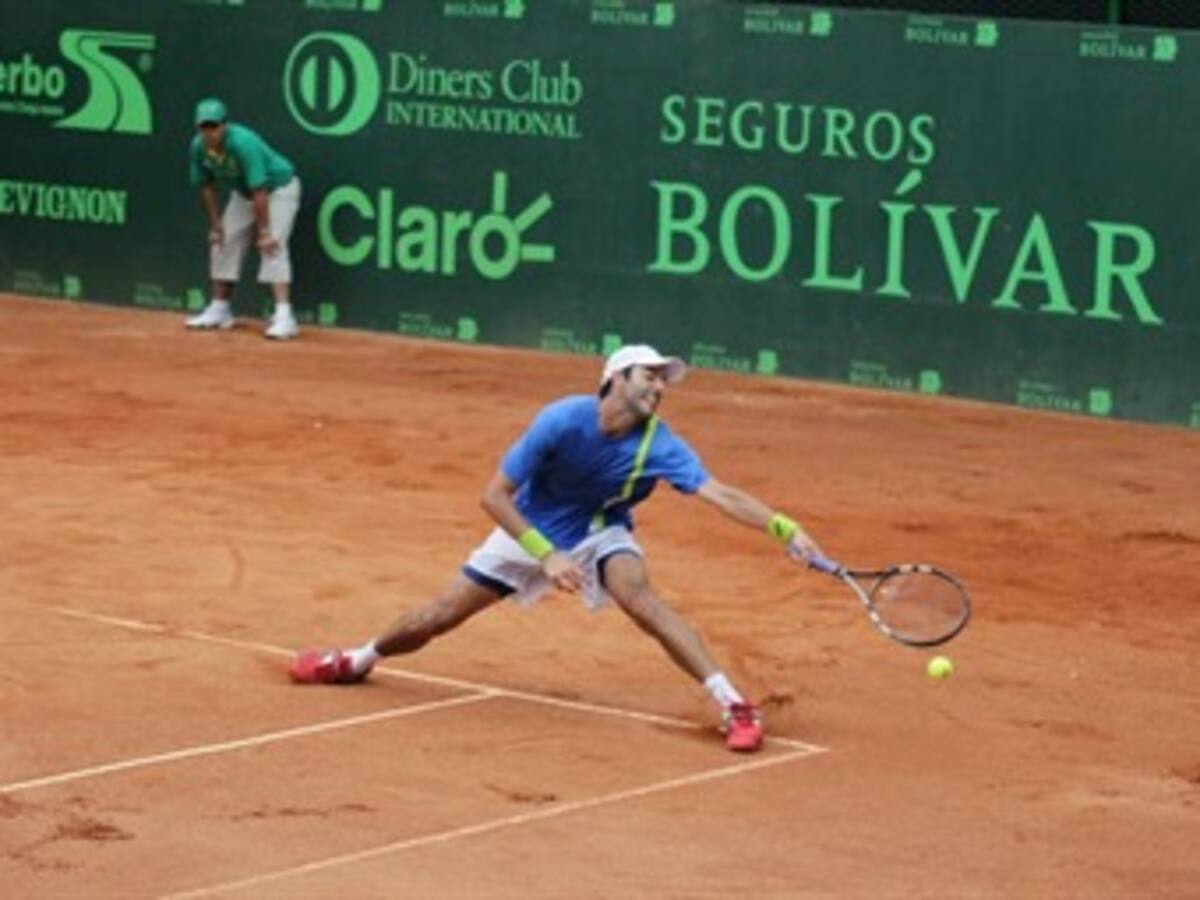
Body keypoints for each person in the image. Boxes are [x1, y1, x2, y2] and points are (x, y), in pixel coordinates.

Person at [290, 344, 823, 752]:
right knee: (436, 616)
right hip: (532, 527)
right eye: (649, 375)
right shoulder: (562, 421)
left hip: (602, 530)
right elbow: (494, 496)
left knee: (643, 600)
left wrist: (783, 527)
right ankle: (356, 660)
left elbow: (719, 493)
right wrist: (545, 553)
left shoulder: (660, 443)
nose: (659, 386)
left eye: (664, 380)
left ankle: (734, 705)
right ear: (615, 379)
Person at [185, 97, 302, 340]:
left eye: (214, 126)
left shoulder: (243, 143)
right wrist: (216, 225)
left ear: (224, 125)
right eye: (204, 127)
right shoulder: (198, 147)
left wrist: (265, 232)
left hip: (277, 189)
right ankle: (220, 309)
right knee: (223, 240)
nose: (210, 132)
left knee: (272, 246)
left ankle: (284, 316)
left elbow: (260, 190)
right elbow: (206, 186)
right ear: (198, 128)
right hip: (244, 193)